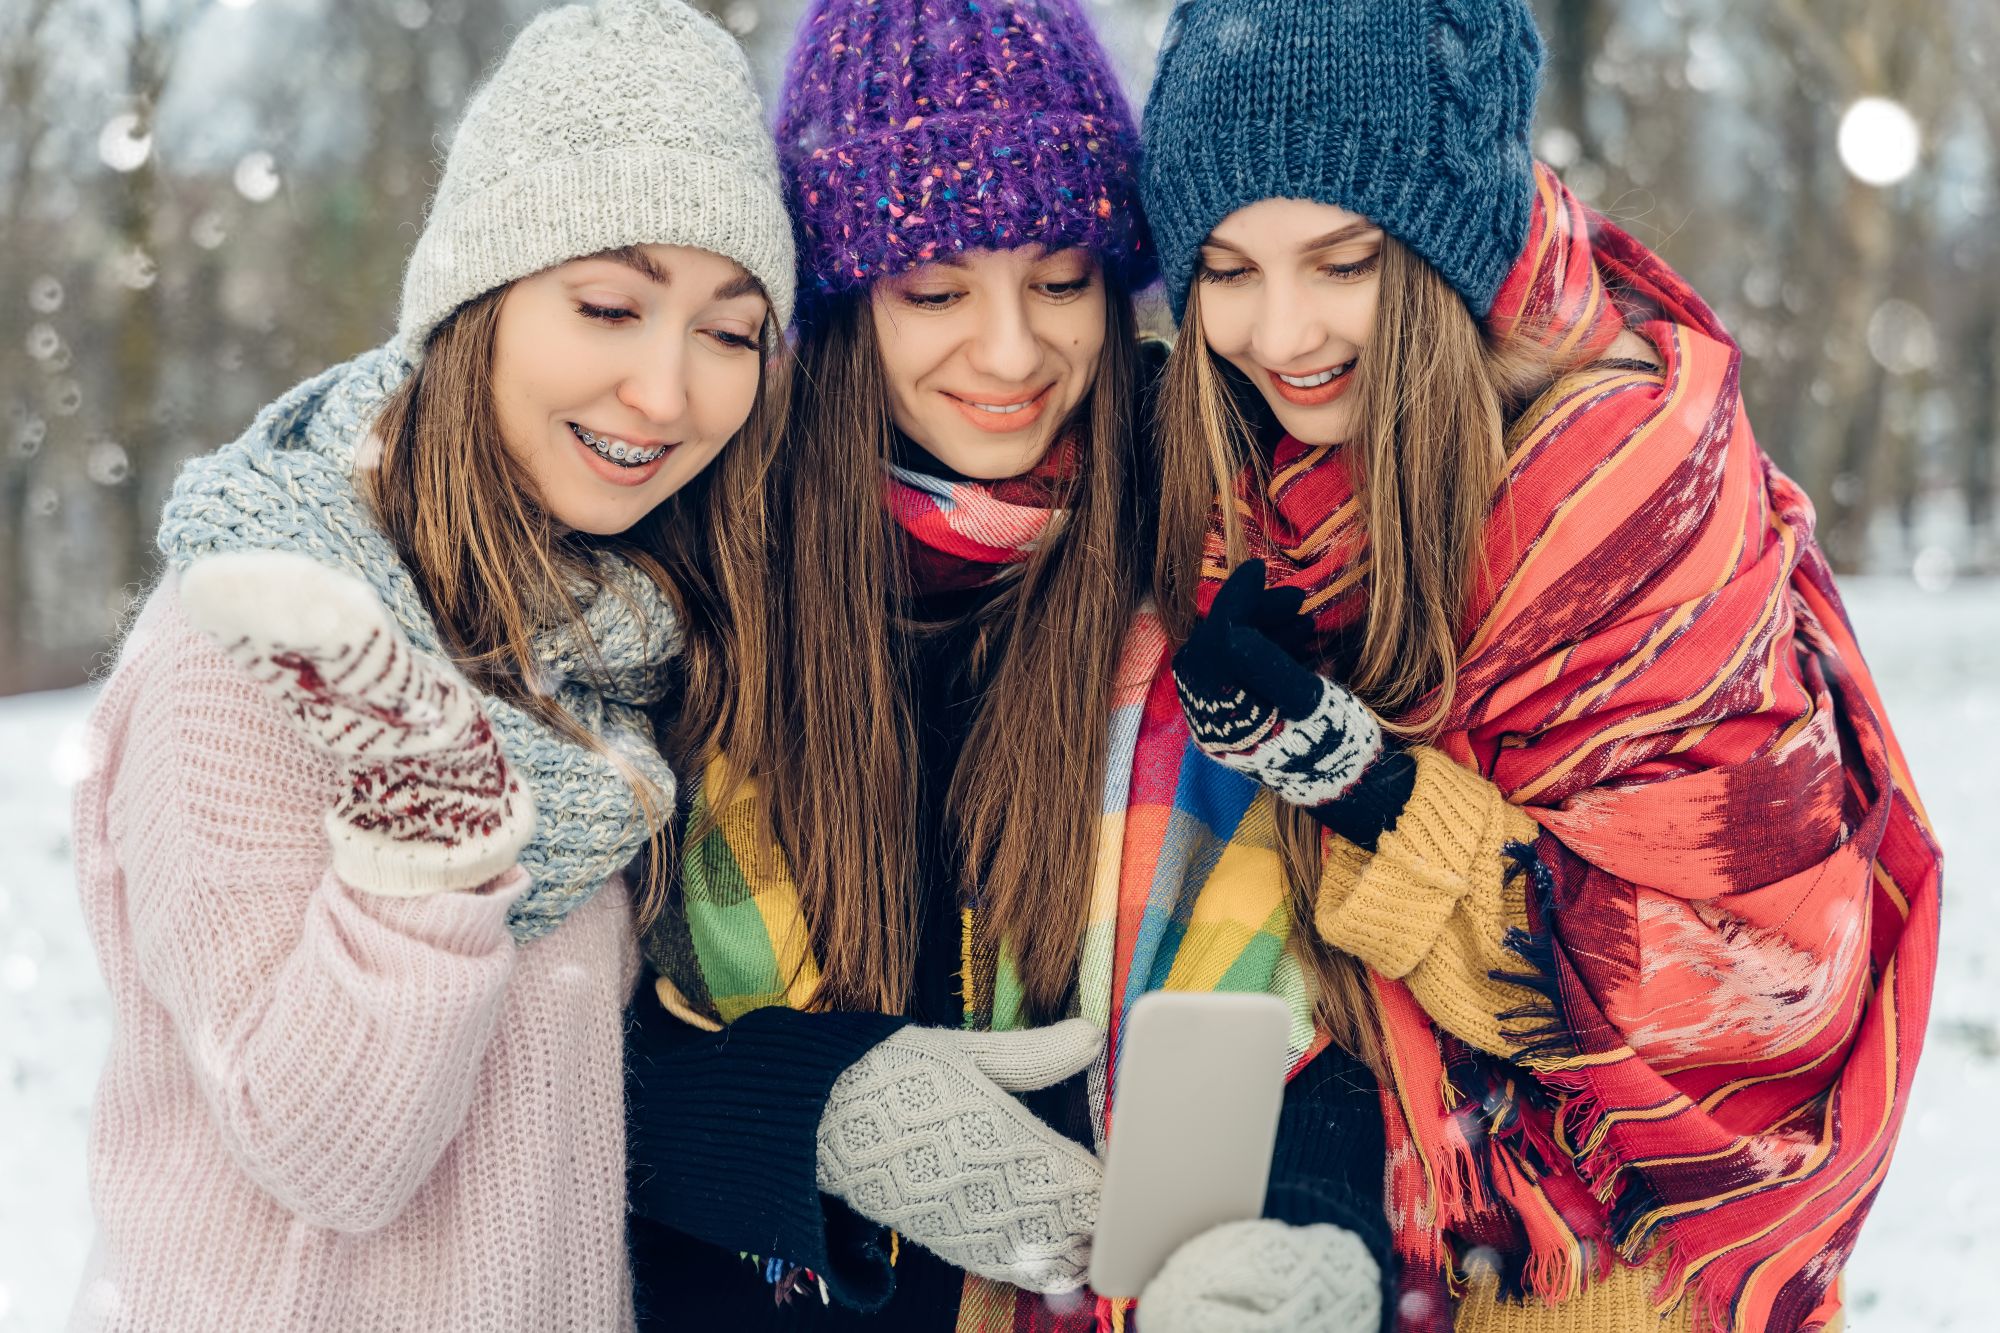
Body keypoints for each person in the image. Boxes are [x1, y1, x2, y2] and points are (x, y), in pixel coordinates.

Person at [1138, 2, 1943, 1331]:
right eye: (1227, 270)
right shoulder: (1255, 474)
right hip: (1360, 1243)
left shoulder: (1634, 499)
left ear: (1451, 244)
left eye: (1342, 261)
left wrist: (1359, 783)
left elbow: (1746, 988)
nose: (1279, 333)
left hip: (1617, 1271)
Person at [624, 1, 1394, 1330]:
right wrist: (810, 1108)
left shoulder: (1231, 557)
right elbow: (537, 1065)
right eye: (936, 290)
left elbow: (1329, 1025)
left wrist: (1315, 1243)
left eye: (1057, 280)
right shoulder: (696, 574)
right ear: (845, 300)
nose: (1011, 353)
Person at [66, 2, 792, 1329]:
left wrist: (840, 1112)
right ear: (479, 305)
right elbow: (328, 1153)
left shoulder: (614, 646)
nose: (667, 392)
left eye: (729, 331)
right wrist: (422, 842)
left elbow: (560, 1103)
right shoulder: (260, 644)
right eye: (610, 304)